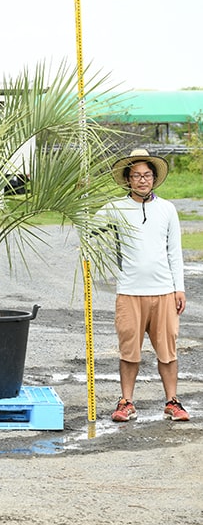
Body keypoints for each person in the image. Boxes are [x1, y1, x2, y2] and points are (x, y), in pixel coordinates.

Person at [98, 148, 189, 422]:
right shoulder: (114, 208)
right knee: (129, 351)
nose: (142, 180)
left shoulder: (167, 209)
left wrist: (179, 288)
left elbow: (175, 251)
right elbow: (89, 228)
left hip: (163, 291)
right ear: (128, 179)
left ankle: (172, 401)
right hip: (129, 292)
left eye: (147, 175)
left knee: (168, 351)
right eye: (136, 175)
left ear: (154, 178)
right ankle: (126, 402)